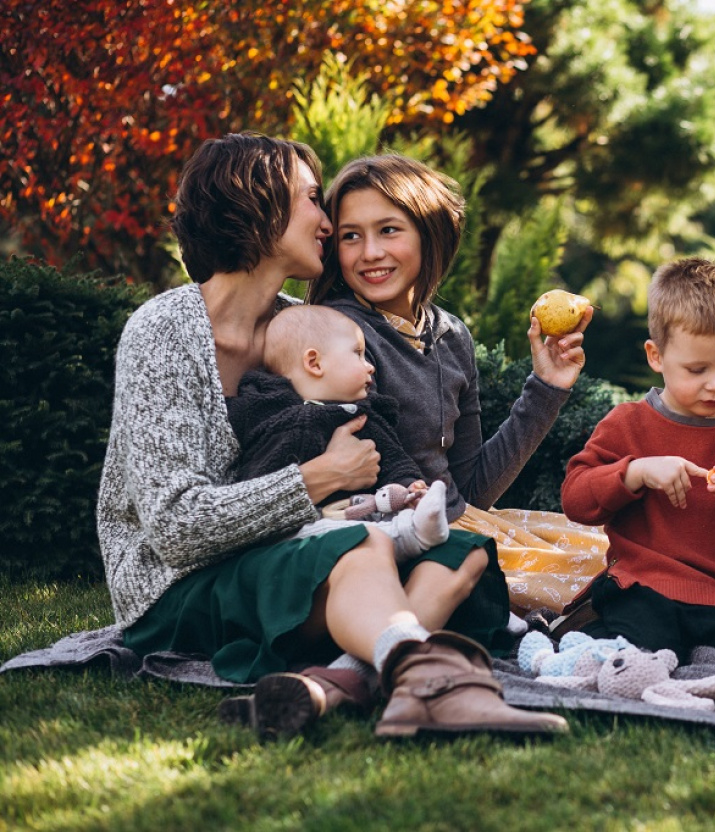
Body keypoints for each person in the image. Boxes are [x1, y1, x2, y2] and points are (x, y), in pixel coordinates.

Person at [97, 132, 567, 740]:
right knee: (359, 548)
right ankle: (426, 679)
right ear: (256, 205)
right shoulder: (163, 331)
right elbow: (173, 529)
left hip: (275, 558)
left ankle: (339, 683)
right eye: (313, 200)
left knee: (464, 551)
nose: (326, 220)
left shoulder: (302, 329)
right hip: (175, 591)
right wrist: (321, 478)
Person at [307, 154, 608, 617]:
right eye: (351, 236)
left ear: (430, 235)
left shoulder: (450, 336)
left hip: (460, 518)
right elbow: (381, 479)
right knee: (594, 584)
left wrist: (547, 387)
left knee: (615, 553)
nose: (369, 253)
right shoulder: (338, 335)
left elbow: (471, 487)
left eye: (389, 230)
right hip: (395, 535)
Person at [560, 257, 715, 663]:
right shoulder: (628, 424)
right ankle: (593, 636)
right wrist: (635, 472)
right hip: (650, 584)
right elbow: (576, 500)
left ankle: (704, 661)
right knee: (643, 646)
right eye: (697, 369)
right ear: (656, 356)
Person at [227, 303, 450, 561]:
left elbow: (395, 460)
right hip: (286, 535)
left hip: (358, 518)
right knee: (359, 538)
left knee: (372, 535)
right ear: (314, 363)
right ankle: (411, 536)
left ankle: (413, 528)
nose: (370, 366)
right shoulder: (263, 409)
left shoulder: (364, 417)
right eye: (357, 354)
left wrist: (410, 487)